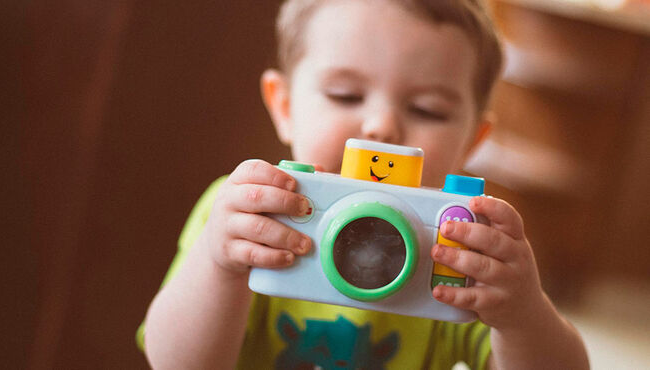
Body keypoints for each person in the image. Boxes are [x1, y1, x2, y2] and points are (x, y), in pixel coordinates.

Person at [140, 0, 589, 368]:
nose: (381, 127)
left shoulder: (460, 248)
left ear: (472, 141)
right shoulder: (250, 212)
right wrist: (219, 265)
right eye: (345, 96)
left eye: (428, 109)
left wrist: (523, 315)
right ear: (285, 107)